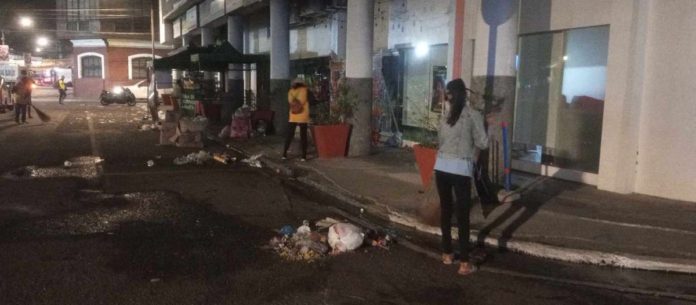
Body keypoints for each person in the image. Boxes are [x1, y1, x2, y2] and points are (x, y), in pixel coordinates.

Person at [434, 78, 488, 275]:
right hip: (461, 170)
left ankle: (447, 253)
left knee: (446, 211)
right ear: (464, 95)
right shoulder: (473, 115)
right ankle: (464, 263)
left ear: (450, 96)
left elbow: (440, 140)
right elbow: (482, 142)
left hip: (441, 168)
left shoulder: (446, 117)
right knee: (463, 215)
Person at [282, 78, 310, 161]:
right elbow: (304, 100)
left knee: (289, 135)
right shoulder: (305, 90)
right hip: (303, 114)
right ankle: (303, 156)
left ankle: (284, 154)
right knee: (303, 135)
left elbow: (290, 101)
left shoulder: (291, 91)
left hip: (293, 114)